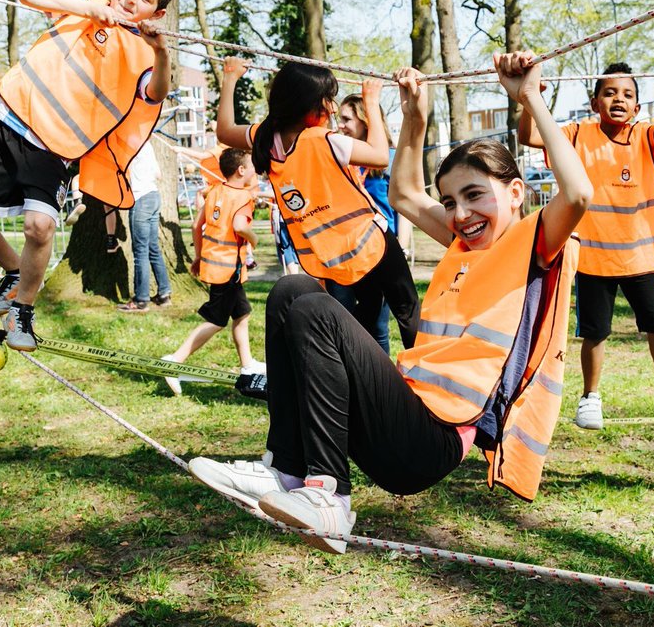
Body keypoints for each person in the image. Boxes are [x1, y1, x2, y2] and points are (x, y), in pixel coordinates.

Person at [187, 52, 592, 554]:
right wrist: (414, 115)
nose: (460, 214)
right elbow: (402, 192)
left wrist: (528, 96)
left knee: (316, 309)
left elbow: (576, 193)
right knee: (293, 292)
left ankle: (329, 498)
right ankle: (287, 471)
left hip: (431, 439)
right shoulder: (463, 243)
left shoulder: (532, 243)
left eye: (475, 196)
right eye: (450, 202)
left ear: (514, 194)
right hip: (399, 411)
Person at [0, 0, 178, 351]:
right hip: (8, 119)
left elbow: (156, 93)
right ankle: (15, 272)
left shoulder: (145, 52)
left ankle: (23, 310)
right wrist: (87, 8)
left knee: (40, 227)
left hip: (57, 148)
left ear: (158, 10)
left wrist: (161, 52)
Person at [517, 61, 654, 430]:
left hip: (639, 256)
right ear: (594, 101)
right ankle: (590, 398)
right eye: (610, 92)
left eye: (628, 94)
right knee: (594, 332)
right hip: (591, 256)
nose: (619, 99)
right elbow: (529, 136)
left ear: (636, 107)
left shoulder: (645, 136)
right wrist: (529, 99)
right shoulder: (575, 133)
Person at [215, 57, 420, 349]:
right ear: (308, 104)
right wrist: (371, 103)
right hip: (372, 243)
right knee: (407, 312)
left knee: (364, 321)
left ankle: (366, 383)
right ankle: (424, 383)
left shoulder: (265, 137)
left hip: (332, 257)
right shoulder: (322, 139)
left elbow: (224, 131)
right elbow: (379, 156)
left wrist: (230, 77)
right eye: (328, 99)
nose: (333, 108)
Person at [162, 148, 266, 394]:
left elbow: (197, 225)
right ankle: (175, 360)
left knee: (242, 314)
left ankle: (248, 364)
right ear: (241, 171)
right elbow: (240, 226)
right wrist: (254, 239)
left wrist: (198, 256)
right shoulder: (243, 198)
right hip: (228, 269)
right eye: (252, 166)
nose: (254, 170)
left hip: (216, 265)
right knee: (216, 321)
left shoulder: (215, 190)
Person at [324, 82, 400, 353]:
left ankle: (381, 387)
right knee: (342, 321)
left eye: (347, 119)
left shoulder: (389, 158)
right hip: (342, 252)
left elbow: (400, 206)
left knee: (378, 328)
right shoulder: (337, 158)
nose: (340, 125)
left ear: (366, 121)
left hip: (377, 253)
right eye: (338, 119)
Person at [116, 147, 172, 312]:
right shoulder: (148, 145)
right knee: (153, 248)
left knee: (140, 251)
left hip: (140, 198)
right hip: (154, 195)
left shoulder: (131, 145)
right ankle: (164, 294)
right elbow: (159, 175)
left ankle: (140, 300)